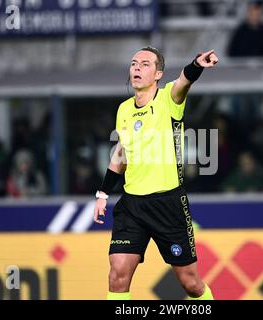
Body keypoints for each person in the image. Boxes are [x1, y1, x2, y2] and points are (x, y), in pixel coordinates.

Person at [93, 46, 218, 300]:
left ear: (158, 73)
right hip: (132, 206)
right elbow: (121, 154)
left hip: (168, 204)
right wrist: (103, 193)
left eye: (145, 64)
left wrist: (197, 64)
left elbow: (185, 79)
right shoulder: (124, 109)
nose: (137, 68)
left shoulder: (168, 99)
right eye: (134, 63)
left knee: (190, 284)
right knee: (117, 274)